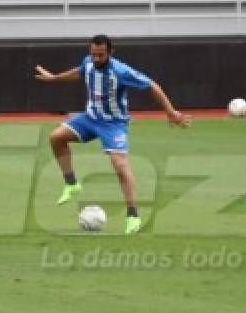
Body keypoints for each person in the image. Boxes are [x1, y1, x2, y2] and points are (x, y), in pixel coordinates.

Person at [35, 34, 191, 235]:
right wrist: (54, 78)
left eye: (101, 55)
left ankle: (133, 215)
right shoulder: (88, 62)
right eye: (93, 55)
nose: (96, 59)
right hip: (90, 118)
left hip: (114, 124)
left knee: (119, 165)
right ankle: (72, 183)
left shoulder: (121, 71)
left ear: (110, 52)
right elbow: (80, 71)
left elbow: (152, 86)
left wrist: (171, 113)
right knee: (56, 138)